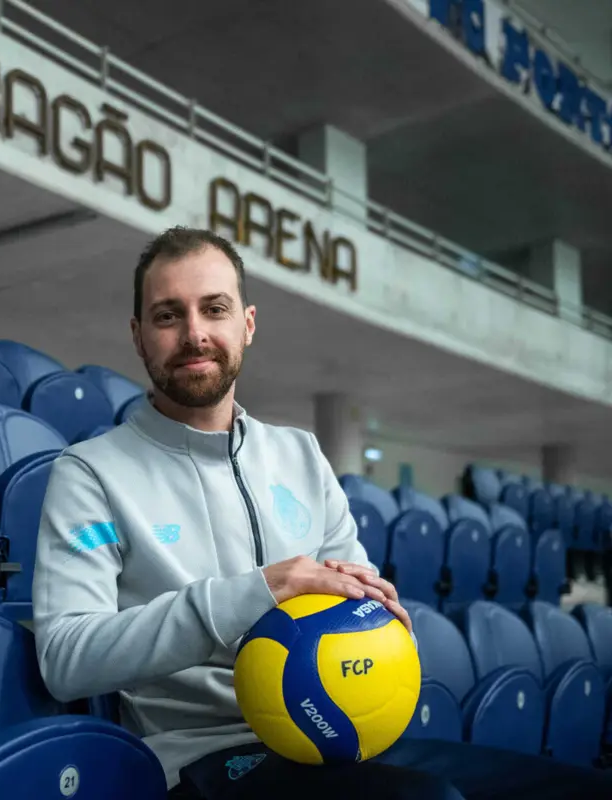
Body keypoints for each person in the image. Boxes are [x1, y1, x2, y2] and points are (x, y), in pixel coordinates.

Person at [30, 226, 611, 799]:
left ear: (247, 324)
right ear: (138, 336)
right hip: (205, 759)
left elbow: (359, 602)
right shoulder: (91, 472)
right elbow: (65, 657)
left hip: (336, 736)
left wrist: (383, 624)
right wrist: (259, 590)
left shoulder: (301, 455)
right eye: (167, 315)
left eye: (214, 309)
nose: (195, 333)